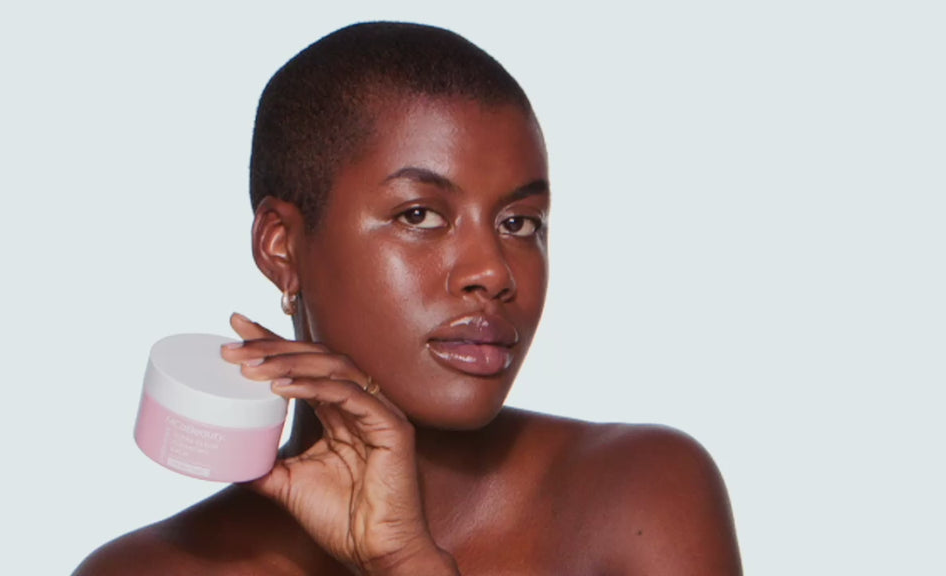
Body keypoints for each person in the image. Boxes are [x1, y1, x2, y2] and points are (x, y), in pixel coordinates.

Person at [74, 22, 741, 575]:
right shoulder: (149, 569)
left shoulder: (639, 495)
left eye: (519, 223)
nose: (493, 272)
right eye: (419, 215)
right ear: (282, 247)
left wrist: (409, 565)